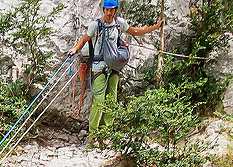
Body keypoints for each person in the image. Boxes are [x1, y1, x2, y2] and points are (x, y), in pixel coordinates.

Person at [68, 0, 165, 136]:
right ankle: (93, 134)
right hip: (98, 66)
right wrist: (74, 49)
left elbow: (135, 31)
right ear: (103, 10)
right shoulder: (96, 25)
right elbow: (84, 40)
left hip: (113, 67)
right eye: (107, 10)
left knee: (112, 100)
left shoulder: (119, 23)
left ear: (115, 10)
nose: (109, 12)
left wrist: (155, 27)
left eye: (111, 10)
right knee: (99, 101)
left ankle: (106, 132)